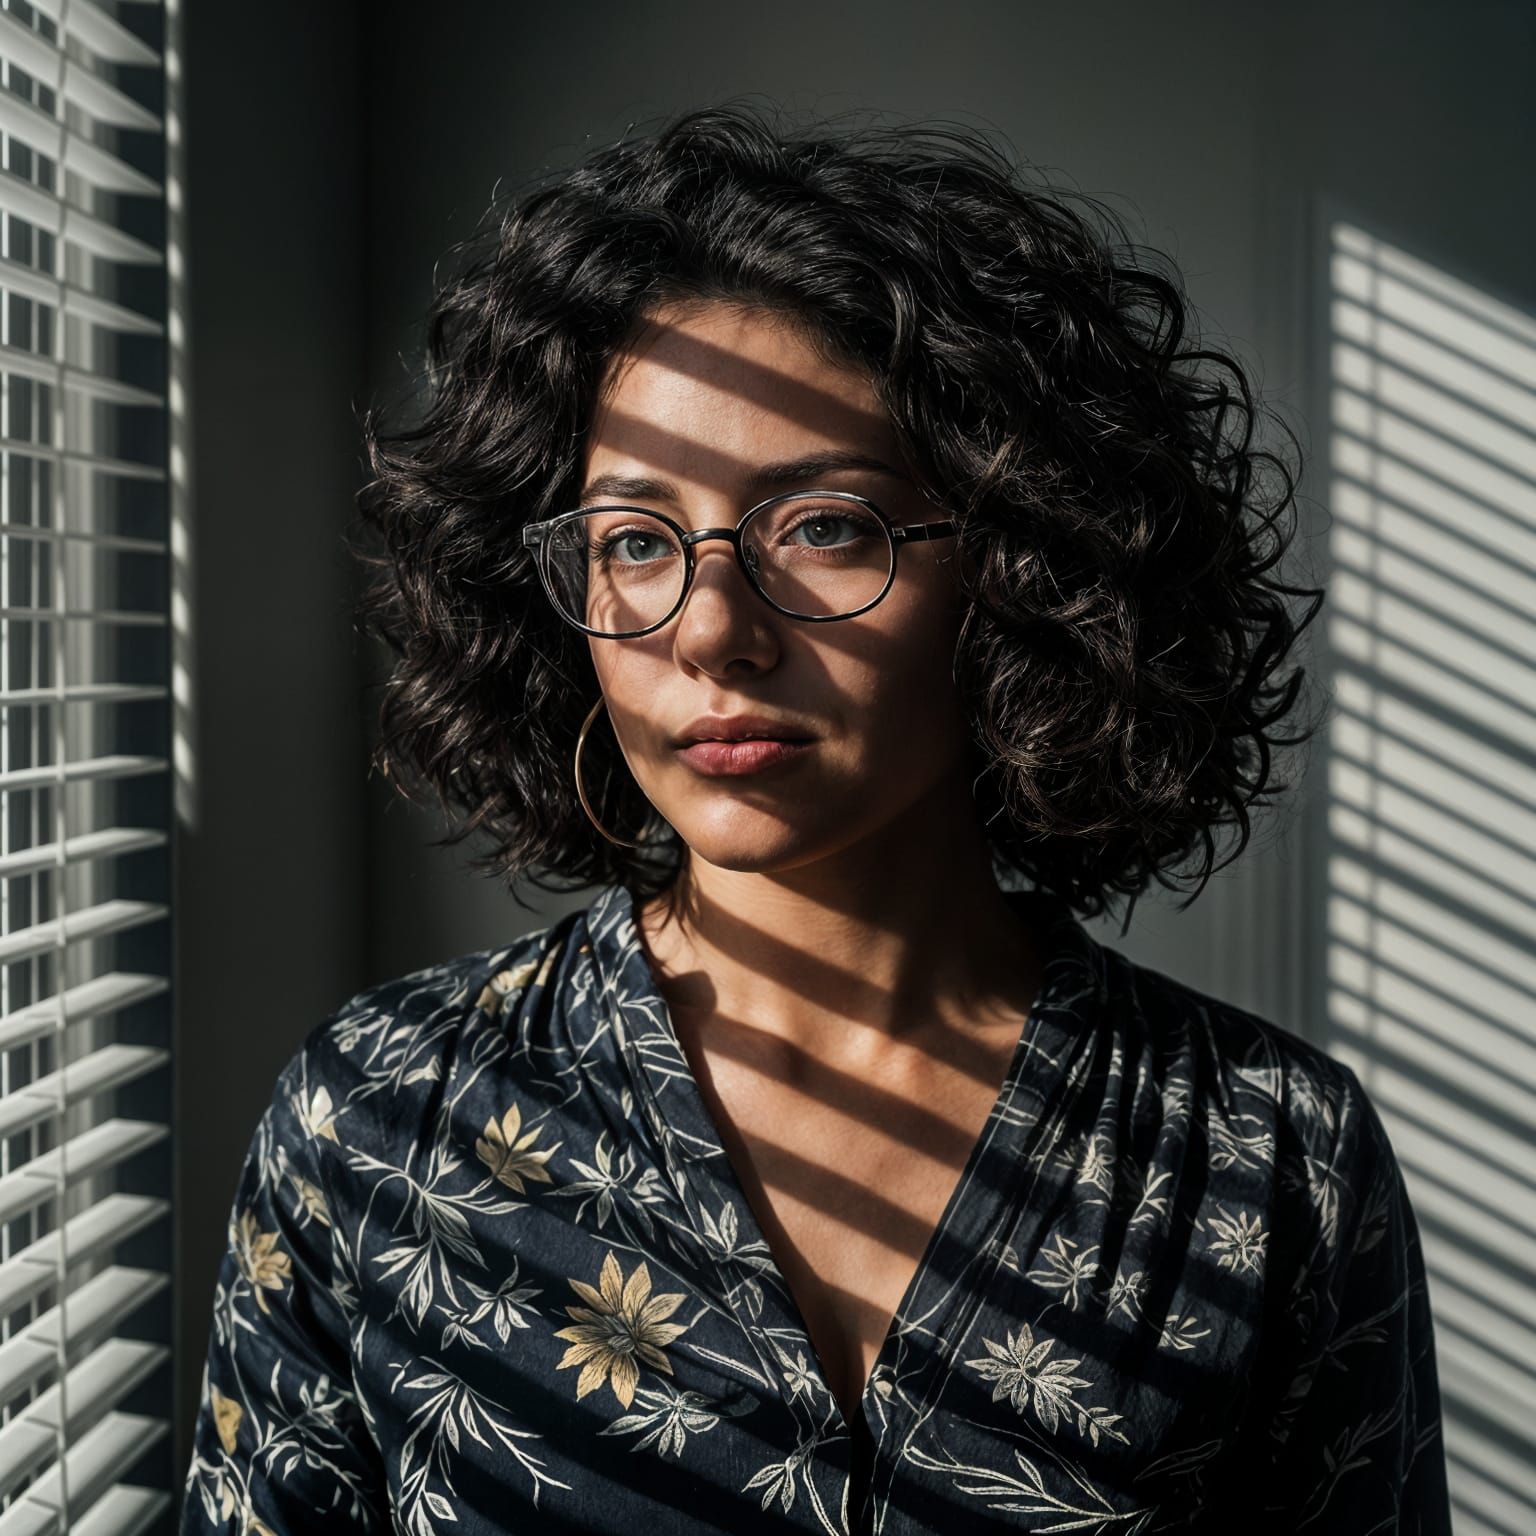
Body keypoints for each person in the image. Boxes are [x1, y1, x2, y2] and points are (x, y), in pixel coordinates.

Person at [179, 102, 1451, 1534]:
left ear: (1019, 566)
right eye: (636, 542)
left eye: (825, 524)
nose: (712, 631)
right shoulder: (381, 1119)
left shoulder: (1270, 1159)